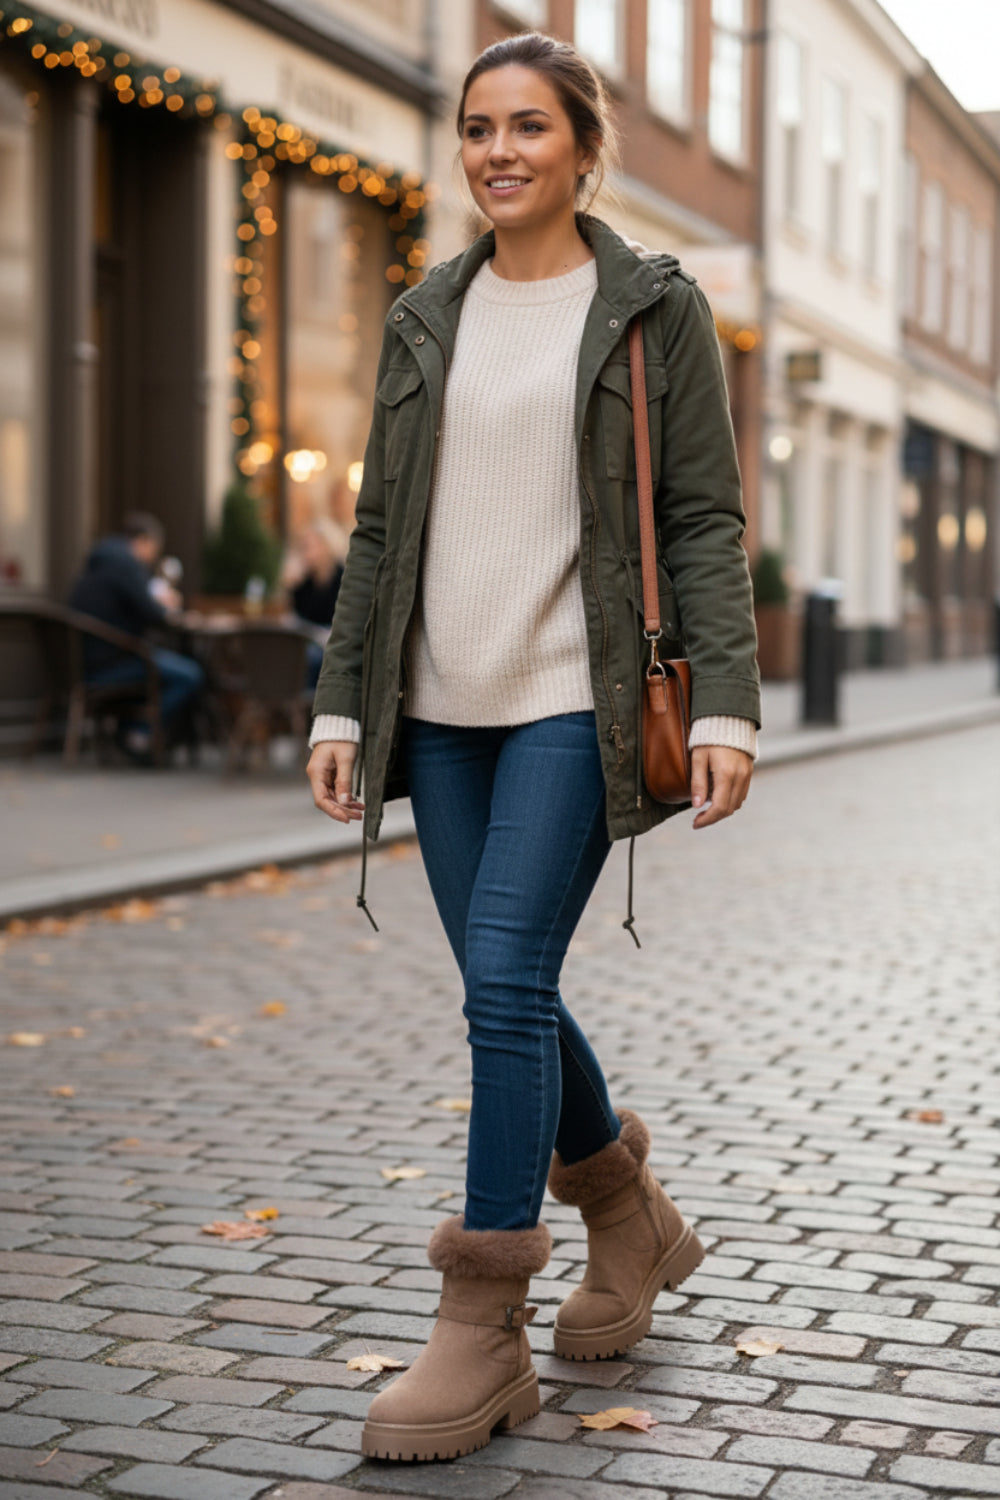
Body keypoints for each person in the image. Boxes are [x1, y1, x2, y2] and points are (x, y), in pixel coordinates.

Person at [306, 32, 760, 1464]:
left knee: (503, 983)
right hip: (438, 707)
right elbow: (383, 528)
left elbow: (701, 515)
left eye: (529, 127)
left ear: (582, 146)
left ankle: (481, 1323)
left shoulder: (650, 308)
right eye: (477, 128)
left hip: (576, 694)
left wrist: (732, 702)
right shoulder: (424, 314)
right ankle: (630, 1219)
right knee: (507, 984)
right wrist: (337, 701)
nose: (498, 151)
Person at [68, 512, 204, 757]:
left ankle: (133, 732)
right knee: (190, 675)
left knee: (165, 665)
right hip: (111, 662)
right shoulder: (125, 565)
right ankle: (136, 732)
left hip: (89, 659)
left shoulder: (99, 561)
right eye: (153, 549)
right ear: (144, 542)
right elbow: (151, 612)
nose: (152, 558)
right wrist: (167, 607)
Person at [281, 517, 347, 688]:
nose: (304, 553)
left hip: (337, 648)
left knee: (305, 659)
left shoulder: (343, 578)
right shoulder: (305, 582)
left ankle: (306, 708)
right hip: (311, 644)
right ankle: (293, 708)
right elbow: (299, 617)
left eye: (309, 546)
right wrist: (292, 589)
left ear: (327, 547)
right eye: (302, 547)